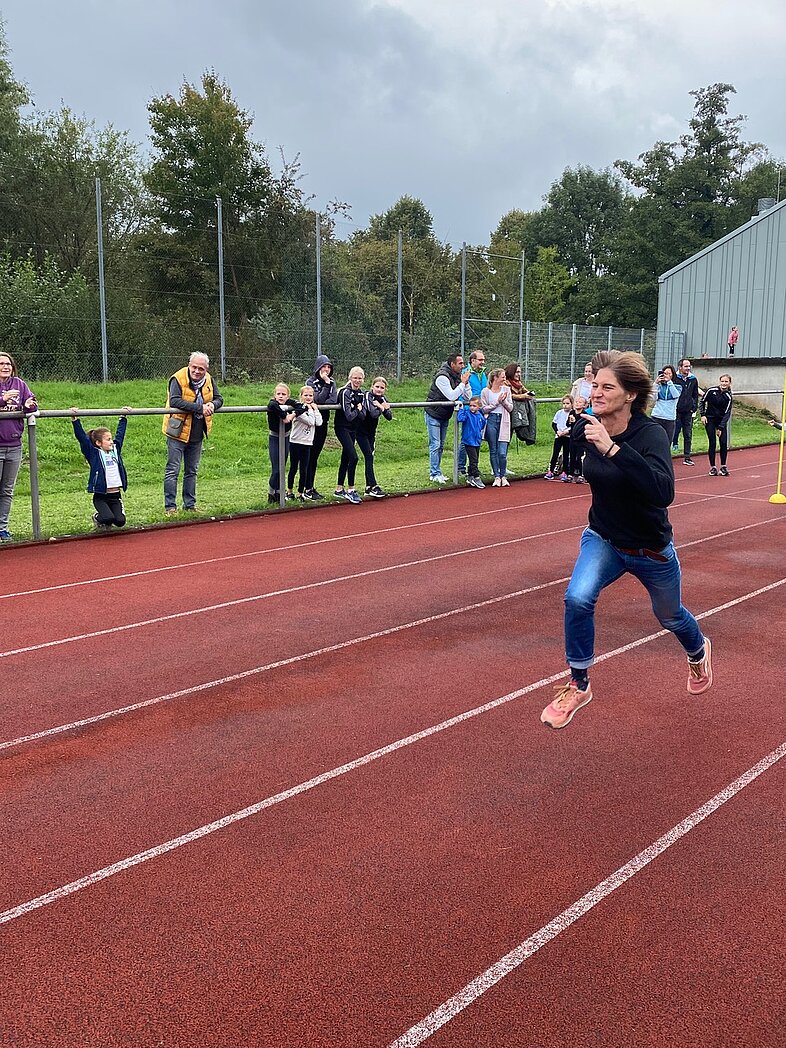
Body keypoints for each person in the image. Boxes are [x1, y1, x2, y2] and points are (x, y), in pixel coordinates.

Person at [540, 350, 712, 730]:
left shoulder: (650, 434)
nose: (596, 392)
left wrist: (612, 449)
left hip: (651, 549)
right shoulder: (589, 427)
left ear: (630, 394)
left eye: (607, 387)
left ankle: (698, 650)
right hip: (603, 538)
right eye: (595, 385)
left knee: (669, 616)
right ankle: (579, 682)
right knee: (577, 597)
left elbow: (662, 492)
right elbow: (581, 465)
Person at [162, 352, 222, 514]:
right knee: (173, 469)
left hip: (197, 432)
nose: (197, 371)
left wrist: (212, 406)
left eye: (201, 369)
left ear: (206, 369)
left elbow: (219, 398)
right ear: (189, 365)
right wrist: (200, 407)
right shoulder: (177, 378)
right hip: (177, 431)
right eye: (194, 367)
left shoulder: (209, 379)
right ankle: (170, 507)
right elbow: (175, 401)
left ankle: (189, 505)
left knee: (191, 471)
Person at [70, 408, 131, 530]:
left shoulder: (115, 450)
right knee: (108, 519)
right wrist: (75, 420)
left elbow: (120, 435)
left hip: (115, 495)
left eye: (111, 439)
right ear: (98, 443)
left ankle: (113, 513)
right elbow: (82, 438)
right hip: (101, 496)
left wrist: (123, 417)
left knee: (119, 521)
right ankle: (97, 517)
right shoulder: (94, 454)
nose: (112, 442)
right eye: (108, 440)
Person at [0, 352, 37, 542]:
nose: (5, 366)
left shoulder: (19, 384)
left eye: (8, 364)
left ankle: (2, 528)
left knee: (7, 489)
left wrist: (30, 405)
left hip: (14, 445)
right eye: (1, 364)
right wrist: (3, 399)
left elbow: (31, 403)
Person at [424, 353, 473, 483]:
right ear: (453, 364)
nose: (463, 366)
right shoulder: (442, 377)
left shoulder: (457, 376)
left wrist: (466, 384)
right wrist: (462, 383)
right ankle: (434, 473)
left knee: (441, 445)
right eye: (460, 363)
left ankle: (437, 471)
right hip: (433, 413)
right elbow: (451, 396)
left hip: (445, 414)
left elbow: (468, 397)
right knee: (435, 444)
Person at [304, 354, 337, 500]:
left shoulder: (332, 382)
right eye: (324, 366)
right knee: (308, 456)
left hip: (323, 422)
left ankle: (310, 486)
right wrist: (325, 384)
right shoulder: (310, 382)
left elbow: (332, 400)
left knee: (315, 456)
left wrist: (328, 386)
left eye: (329, 367)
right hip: (310, 423)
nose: (327, 370)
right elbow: (317, 399)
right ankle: (304, 488)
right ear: (318, 367)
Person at [334, 367, 367, 504]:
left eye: (359, 378)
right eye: (355, 378)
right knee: (354, 457)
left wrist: (358, 410)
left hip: (354, 428)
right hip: (342, 427)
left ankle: (338, 488)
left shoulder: (361, 394)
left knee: (346, 457)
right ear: (350, 378)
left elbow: (363, 416)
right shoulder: (344, 392)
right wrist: (357, 409)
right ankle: (351, 489)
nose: (357, 381)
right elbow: (348, 415)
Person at [267, 382, 304, 503]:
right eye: (278, 394)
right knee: (276, 469)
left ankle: (279, 493)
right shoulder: (273, 403)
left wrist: (292, 415)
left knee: (283, 467)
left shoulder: (289, 403)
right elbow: (272, 406)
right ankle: (271, 492)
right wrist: (284, 416)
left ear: (288, 396)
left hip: (286, 437)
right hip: (275, 438)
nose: (281, 396)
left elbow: (302, 406)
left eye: (283, 394)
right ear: (274, 395)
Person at [287, 386, 322, 501]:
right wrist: (311, 410)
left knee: (304, 469)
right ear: (301, 396)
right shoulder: (298, 410)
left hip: (307, 443)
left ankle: (300, 493)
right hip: (296, 442)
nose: (308, 397)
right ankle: (289, 491)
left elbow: (319, 422)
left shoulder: (312, 408)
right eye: (305, 395)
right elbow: (311, 421)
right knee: (293, 468)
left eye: (310, 395)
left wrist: (315, 409)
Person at [360, 376, 393, 498]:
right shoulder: (367, 396)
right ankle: (373, 485)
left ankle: (368, 487)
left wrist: (381, 407)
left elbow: (389, 416)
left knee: (370, 457)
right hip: (360, 431)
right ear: (372, 387)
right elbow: (373, 413)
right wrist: (382, 408)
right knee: (368, 456)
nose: (379, 390)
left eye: (382, 388)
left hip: (371, 433)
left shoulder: (382, 399)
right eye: (377, 387)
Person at [481, 368, 513, 486]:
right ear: (495, 378)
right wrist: (497, 402)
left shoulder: (507, 390)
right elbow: (484, 408)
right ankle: (496, 476)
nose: (504, 379)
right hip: (491, 420)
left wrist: (503, 402)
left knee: (502, 452)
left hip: (503, 420)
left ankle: (503, 475)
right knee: (493, 450)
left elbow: (510, 408)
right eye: (502, 377)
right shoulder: (485, 391)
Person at [700, 374, 733, 476]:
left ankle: (723, 466)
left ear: (729, 383)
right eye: (722, 381)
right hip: (709, 419)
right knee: (712, 443)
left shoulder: (729, 397)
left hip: (721, 421)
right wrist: (703, 415)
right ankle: (713, 467)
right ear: (719, 382)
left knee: (723, 443)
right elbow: (702, 402)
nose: (724, 384)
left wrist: (721, 427)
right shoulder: (711, 391)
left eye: (726, 382)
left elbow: (727, 413)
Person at [672, 358, 700, 465]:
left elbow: (695, 394)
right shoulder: (675, 378)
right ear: (680, 367)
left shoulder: (693, 379)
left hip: (688, 411)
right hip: (676, 411)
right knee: (674, 432)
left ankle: (687, 457)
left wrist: (694, 407)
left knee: (688, 434)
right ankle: (670, 453)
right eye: (686, 366)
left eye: (689, 366)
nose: (688, 368)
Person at [457, 396, 486, 489]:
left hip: (476, 441)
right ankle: (476, 477)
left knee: (475, 459)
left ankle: (470, 476)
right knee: (474, 460)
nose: (472, 408)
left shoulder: (480, 416)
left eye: (474, 406)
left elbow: (482, 424)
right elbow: (460, 418)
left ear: (479, 406)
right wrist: (461, 409)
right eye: (470, 406)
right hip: (468, 441)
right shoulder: (467, 414)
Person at [504, 362, 537, 446]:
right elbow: (508, 395)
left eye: (519, 372)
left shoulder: (519, 383)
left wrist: (530, 394)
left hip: (517, 413)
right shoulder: (506, 383)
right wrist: (521, 396)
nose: (519, 374)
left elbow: (525, 391)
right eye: (517, 372)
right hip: (507, 413)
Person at [544, 396, 573, 481]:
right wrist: (557, 432)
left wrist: (566, 432)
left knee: (566, 454)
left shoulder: (572, 414)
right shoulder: (559, 413)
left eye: (567, 403)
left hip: (567, 437)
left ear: (571, 404)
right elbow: (554, 423)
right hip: (559, 436)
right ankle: (551, 471)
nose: (565, 405)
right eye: (564, 403)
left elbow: (573, 425)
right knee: (555, 453)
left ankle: (565, 472)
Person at [650, 365, 680, 446]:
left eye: (669, 373)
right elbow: (653, 398)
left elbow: (675, 395)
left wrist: (669, 382)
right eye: (664, 373)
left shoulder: (677, 386)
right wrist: (655, 383)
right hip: (657, 416)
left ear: (672, 375)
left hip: (669, 418)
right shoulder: (659, 386)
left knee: (667, 442)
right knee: (653, 441)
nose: (666, 375)